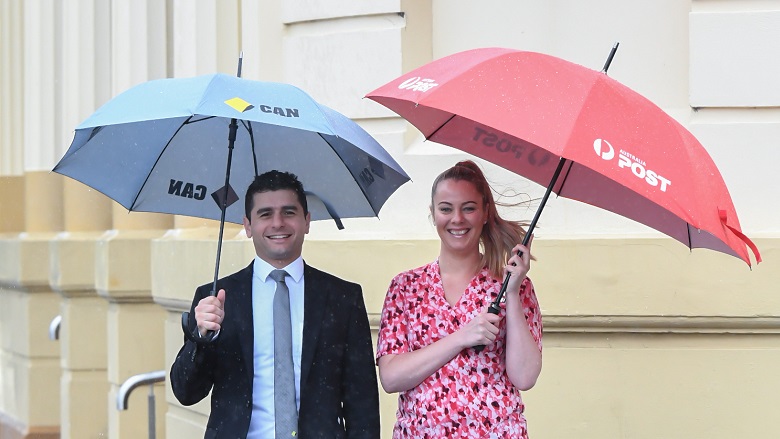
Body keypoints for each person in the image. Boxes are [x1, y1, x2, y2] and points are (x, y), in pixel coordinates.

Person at [170, 170, 380, 439]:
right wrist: (200, 338)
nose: (278, 223)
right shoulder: (217, 299)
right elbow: (186, 392)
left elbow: (362, 403)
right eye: (265, 214)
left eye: (289, 212)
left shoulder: (342, 297)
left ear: (306, 221)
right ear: (248, 226)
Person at [376, 160, 543, 438]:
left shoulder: (513, 286)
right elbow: (391, 378)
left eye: (468, 208)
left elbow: (525, 377)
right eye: (446, 209)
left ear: (485, 213)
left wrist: (512, 293)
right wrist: (460, 338)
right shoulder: (405, 287)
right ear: (433, 214)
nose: (457, 219)